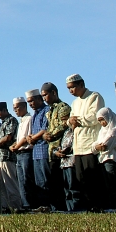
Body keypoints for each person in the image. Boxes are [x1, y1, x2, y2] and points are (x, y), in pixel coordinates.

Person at [66, 73, 105, 211]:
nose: (71, 91)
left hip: (90, 144)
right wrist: (71, 121)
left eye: (72, 87)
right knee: (81, 178)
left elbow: (94, 117)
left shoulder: (94, 96)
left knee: (93, 178)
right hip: (78, 146)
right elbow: (70, 121)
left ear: (81, 85)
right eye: (68, 88)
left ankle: (98, 206)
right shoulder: (74, 103)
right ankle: (87, 207)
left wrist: (78, 120)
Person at [40, 82, 70, 212]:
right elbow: (48, 128)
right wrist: (45, 135)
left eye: (45, 95)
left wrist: (50, 135)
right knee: (53, 182)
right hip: (51, 150)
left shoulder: (63, 107)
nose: (44, 98)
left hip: (61, 149)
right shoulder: (50, 111)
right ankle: (56, 208)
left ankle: (67, 208)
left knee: (64, 183)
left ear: (54, 93)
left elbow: (64, 125)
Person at [93, 107, 116, 210]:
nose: (102, 123)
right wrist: (97, 147)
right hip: (102, 160)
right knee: (106, 185)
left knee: (113, 185)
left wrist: (98, 147)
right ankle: (110, 207)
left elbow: (105, 147)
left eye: (102, 119)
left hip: (111, 159)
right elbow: (95, 147)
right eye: (99, 121)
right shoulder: (102, 131)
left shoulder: (115, 130)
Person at [0, 101, 21, 211]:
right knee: (2, 186)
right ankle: (5, 208)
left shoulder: (11, 120)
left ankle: (16, 207)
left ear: (5, 110)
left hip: (7, 157)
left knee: (10, 184)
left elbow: (8, 137)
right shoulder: (2, 123)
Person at [25, 90, 51, 210]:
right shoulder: (35, 114)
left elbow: (44, 129)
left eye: (32, 101)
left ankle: (51, 205)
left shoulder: (46, 110)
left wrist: (32, 138)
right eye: (28, 102)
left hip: (44, 149)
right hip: (36, 151)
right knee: (39, 181)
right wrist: (30, 137)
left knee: (47, 180)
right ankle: (43, 205)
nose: (30, 104)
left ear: (39, 99)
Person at [9, 96, 34, 209]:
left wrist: (17, 146)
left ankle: (30, 204)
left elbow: (26, 138)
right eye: (14, 108)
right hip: (19, 153)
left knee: (27, 179)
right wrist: (15, 145)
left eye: (17, 108)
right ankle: (25, 204)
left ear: (24, 107)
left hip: (26, 152)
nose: (15, 111)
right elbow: (19, 139)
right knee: (21, 181)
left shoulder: (29, 118)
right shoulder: (21, 120)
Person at [54, 126, 77, 211]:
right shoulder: (66, 131)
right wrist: (57, 151)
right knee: (66, 189)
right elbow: (60, 145)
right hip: (64, 163)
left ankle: (77, 208)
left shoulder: (77, 130)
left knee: (73, 187)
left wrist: (66, 150)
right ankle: (70, 208)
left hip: (72, 162)